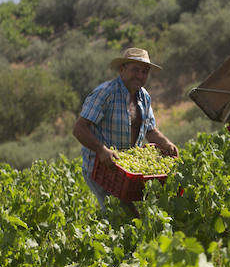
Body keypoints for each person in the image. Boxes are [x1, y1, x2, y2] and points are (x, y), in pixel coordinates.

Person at [73, 47, 179, 209]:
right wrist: (102, 150)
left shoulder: (144, 97)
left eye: (144, 71)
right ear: (122, 69)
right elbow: (79, 128)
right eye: (135, 70)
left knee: (130, 217)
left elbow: (150, 130)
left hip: (126, 172)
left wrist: (166, 143)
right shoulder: (105, 93)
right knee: (122, 217)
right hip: (101, 168)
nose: (140, 75)